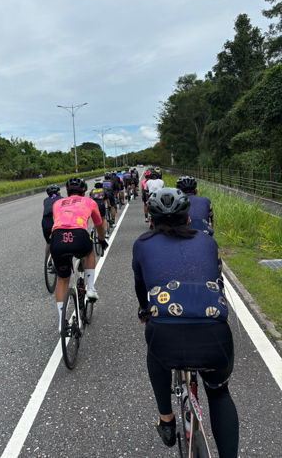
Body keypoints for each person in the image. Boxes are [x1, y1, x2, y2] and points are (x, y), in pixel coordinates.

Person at [132, 188, 238, 458]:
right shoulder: (207, 242)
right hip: (215, 336)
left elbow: (141, 286)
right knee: (219, 393)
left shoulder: (142, 244)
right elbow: (217, 279)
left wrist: (145, 310)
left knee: (153, 344)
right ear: (189, 219)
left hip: (165, 338)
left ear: (152, 221)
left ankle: (166, 419)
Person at [50, 177, 108, 332]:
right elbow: (99, 225)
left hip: (57, 239)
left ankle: (62, 321)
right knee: (89, 252)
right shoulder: (90, 202)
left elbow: (58, 221)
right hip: (79, 236)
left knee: (63, 280)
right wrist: (102, 240)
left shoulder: (57, 203)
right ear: (84, 192)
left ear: (67, 192)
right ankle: (90, 288)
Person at [41, 184, 63, 256]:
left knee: (48, 242)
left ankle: (48, 261)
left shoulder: (45, 200)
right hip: (56, 220)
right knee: (62, 240)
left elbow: (52, 198)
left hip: (45, 221)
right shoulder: (61, 199)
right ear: (58, 192)